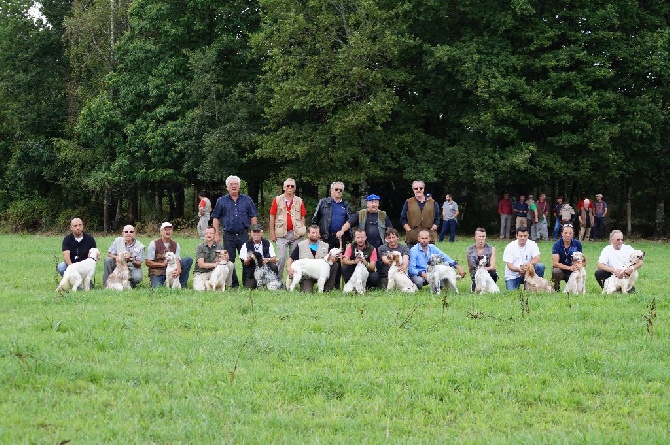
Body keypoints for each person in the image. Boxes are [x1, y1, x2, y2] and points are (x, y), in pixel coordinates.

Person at [211, 175, 259, 288]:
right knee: (229, 261)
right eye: (231, 184)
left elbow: (253, 216)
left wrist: (254, 232)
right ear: (227, 187)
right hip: (229, 236)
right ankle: (233, 284)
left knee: (247, 259)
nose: (234, 186)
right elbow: (216, 218)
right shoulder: (221, 201)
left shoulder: (247, 200)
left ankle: (248, 283)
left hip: (244, 235)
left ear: (239, 186)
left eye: (236, 184)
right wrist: (216, 233)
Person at [269, 178, 307, 280]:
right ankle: (278, 281)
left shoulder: (299, 201)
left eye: (292, 186)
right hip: (281, 234)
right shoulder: (277, 200)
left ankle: (292, 281)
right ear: (283, 187)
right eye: (288, 186)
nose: (290, 188)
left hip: (296, 235)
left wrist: (302, 230)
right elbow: (272, 216)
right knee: (281, 258)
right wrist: (272, 233)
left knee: (294, 260)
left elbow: (303, 217)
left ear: (295, 188)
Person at [286, 225, 340, 292]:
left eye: (317, 233)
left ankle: (327, 289)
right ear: (308, 234)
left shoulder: (326, 245)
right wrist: (288, 268)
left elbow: (330, 259)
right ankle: (292, 288)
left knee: (335, 265)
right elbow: (290, 259)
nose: (315, 235)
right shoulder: (301, 245)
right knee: (307, 292)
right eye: (313, 233)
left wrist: (334, 259)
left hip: (321, 272)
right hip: (307, 276)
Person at [145, 222, 193, 288]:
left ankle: (182, 285)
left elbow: (177, 259)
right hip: (158, 272)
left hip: (172, 269)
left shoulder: (176, 245)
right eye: (165, 230)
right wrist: (162, 264)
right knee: (156, 288)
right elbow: (147, 262)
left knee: (188, 260)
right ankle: (156, 281)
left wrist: (178, 270)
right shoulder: (153, 244)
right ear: (161, 232)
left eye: (170, 229)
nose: (168, 232)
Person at [400, 180, 440, 248]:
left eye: (420, 188)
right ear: (413, 190)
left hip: (429, 237)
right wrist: (408, 229)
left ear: (423, 189)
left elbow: (437, 217)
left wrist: (434, 227)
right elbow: (402, 218)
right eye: (416, 188)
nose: (418, 190)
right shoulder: (408, 202)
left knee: (429, 258)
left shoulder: (433, 203)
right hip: (412, 237)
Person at [193, 227, 233, 291]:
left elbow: (224, 259)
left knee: (230, 264)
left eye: (211, 233)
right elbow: (201, 264)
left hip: (215, 272)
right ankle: (208, 284)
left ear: (215, 234)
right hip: (201, 272)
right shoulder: (200, 247)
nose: (209, 235)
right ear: (204, 235)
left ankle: (226, 285)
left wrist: (226, 257)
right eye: (206, 233)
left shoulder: (220, 246)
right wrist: (215, 264)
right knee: (199, 289)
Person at [240, 224, 279, 288]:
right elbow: (245, 263)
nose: (256, 234)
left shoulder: (268, 243)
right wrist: (249, 258)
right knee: (250, 286)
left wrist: (268, 259)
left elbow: (274, 259)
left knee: (273, 266)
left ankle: (272, 282)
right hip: (251, 269)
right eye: (254, 232)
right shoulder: (245, 245)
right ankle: (255, 282)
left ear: (261, 233)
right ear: (251, 233)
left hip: (264, 268)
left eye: (258, 232)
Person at [551, 224, 583, 291]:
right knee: (555, 271)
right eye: (565, 233)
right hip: (561, 269)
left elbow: (580, 260)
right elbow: (555, 263)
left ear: (573, 234)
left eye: (570, 233)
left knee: (581, 271)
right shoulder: (556, 245)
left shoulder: (578, 244)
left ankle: (578, 290)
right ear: (562, 233)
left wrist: (577, 267)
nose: (568, 235)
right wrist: (569, 268)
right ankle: (556, 289)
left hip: (573, 269)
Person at [466, 228, 498, 292]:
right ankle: (474, 283)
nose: (481, 238)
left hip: (488, 273)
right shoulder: (469, 250)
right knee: (475, 290)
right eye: (479, 236)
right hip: (475, 274)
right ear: (475, 237)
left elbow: (493, 266)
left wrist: (482, 270)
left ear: (485, 237)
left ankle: (490, 285)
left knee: (494, 273)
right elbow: (469, 267)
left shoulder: (492, 249)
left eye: (483, 236)